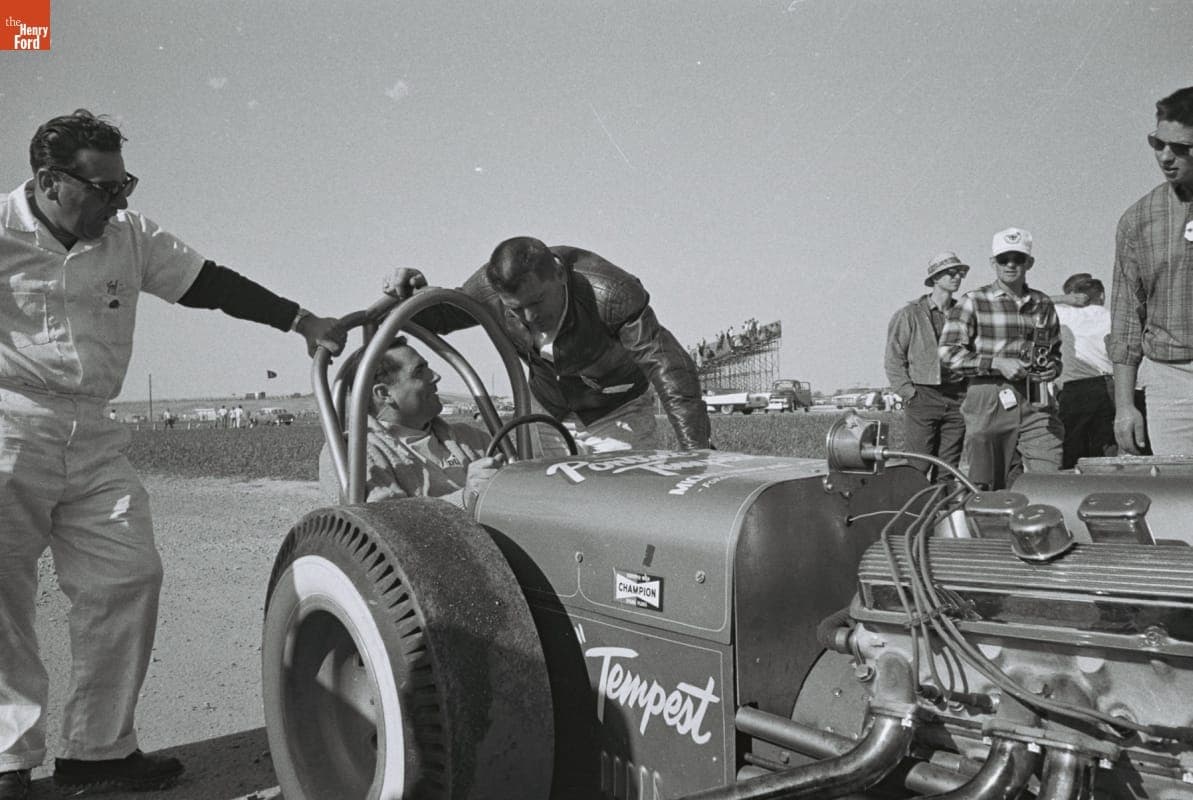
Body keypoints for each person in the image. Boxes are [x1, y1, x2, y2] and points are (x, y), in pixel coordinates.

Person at [0, 110, 345, 799]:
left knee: (128, 575)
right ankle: (8, 761)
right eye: (103, 188)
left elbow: (209, 283)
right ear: (47, 182)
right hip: (9, 417)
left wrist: (302, 320)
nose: (118, 200)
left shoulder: (130, 235)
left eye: (124, 183)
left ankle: (98, 752)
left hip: (94, 427)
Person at [383, 237, 710, 452]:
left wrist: (696, 452)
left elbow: (666, 365)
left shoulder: (611, 293)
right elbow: (442, 317)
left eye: (536, 302)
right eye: (515, 308)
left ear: (558, 273)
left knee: (622, 505)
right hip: (550, 412)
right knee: (558, 505)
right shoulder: (489, 289)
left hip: (616, 410)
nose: (528, 317)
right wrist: (413, 296)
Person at [939, 227, 1063, 490]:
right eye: (1003, 259)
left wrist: (1054, 366)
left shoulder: (1043, 303)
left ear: (1029, 263)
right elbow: (948, 353)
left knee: (1050, 477)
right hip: (988, 397)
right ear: (992, 263)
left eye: (1017, 259)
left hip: (1037, 397)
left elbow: (1055, 352)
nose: (1010, 265)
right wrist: (995, 363)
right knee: (986, 484)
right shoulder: (973, 301)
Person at [318, 337, 501, 509]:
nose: (436, 376)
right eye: (420, 371)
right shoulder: (354, 453)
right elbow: (387, 527)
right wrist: (465, 498)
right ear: (384, 393)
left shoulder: (473, 439)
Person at [1109, 85, 1193, 456]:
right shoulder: (1137, 221)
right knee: (1180, 502)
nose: (1165, 156)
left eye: (1180, 148)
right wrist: (1124, 407)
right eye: (1157, 143)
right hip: (1169, 379)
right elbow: (1127, 319)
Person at [883, 251, 970, 478]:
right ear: (935, 279)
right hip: (923, 396)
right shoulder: (910, 314)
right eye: (949, 273)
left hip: (957, 397)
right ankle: (915, 512)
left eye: (959, 272)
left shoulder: (965, 312)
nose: (956, 277)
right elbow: (893, 358)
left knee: (948, 468)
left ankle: (941, 510)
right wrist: (909, 393)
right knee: (918, 465)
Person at [1053, 273, 1116, 467]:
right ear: (1102, 296)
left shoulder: (1064, 314)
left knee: (1072, 450)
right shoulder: (1112, 317)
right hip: (1110, 385)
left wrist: (1064, 300)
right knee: (1109, 449)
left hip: (1076, 389)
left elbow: (1026, 301)